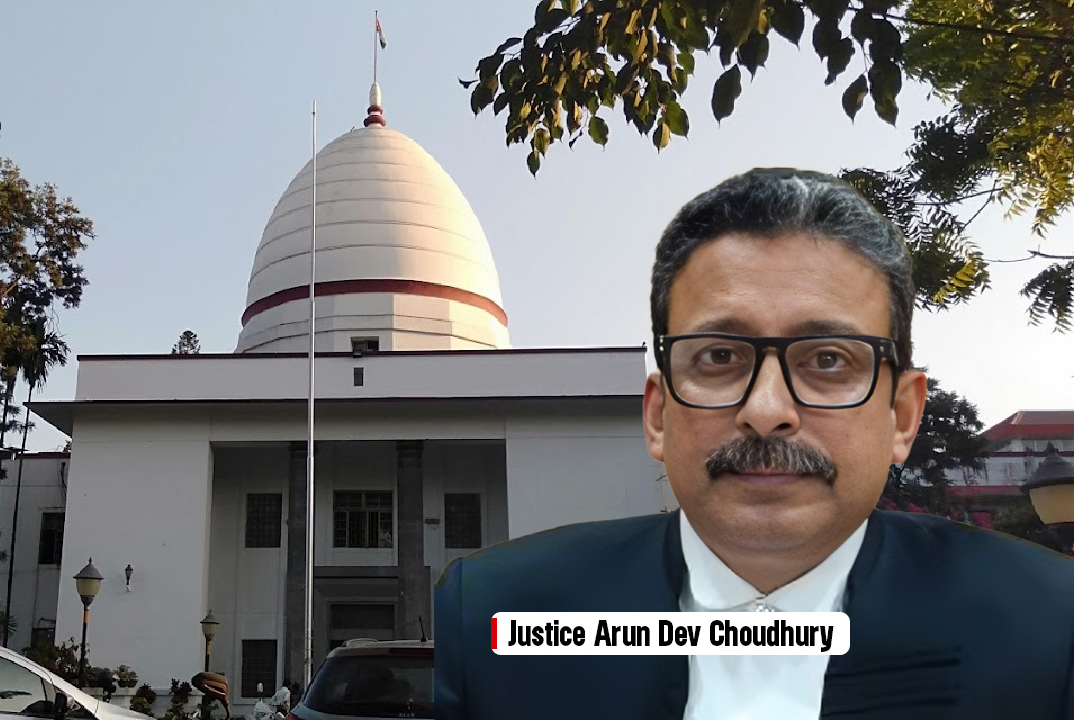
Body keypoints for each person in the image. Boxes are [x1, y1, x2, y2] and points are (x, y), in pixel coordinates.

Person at [432, 168, 1074, 720]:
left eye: (828, 359)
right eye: (719, 356)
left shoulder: (1047, 625)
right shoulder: (497, 615)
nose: (766, 412)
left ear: (902, 416)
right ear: (657, 415)